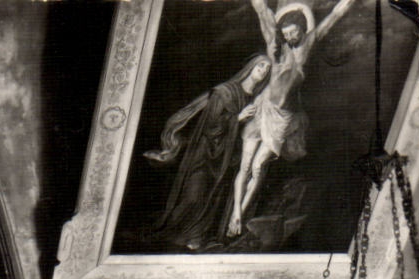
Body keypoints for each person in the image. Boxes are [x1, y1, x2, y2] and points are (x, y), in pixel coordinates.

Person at [228, 0, 356, 238]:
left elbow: (335, 15)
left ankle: (241, 212)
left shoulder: (309, 44)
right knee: (245, 166)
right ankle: (236, 213)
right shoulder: (275, 47)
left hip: (284, 118)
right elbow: (262, 11)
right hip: (262, 108)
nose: (290, 38)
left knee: (258, 166)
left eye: (294, 33)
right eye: (286, 34)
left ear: (302, 29)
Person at [143, 54, 273, 251]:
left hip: (227, 158)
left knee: (213, 199)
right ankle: (173, 234)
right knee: (194, 196)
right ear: (250, 67)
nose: (263, 71)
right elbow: (211, 125)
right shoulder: (225, 92)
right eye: (260, 66)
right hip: (206, 154)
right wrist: (237, 119)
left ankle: (195, 238)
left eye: (267, 69)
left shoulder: (256, 99)